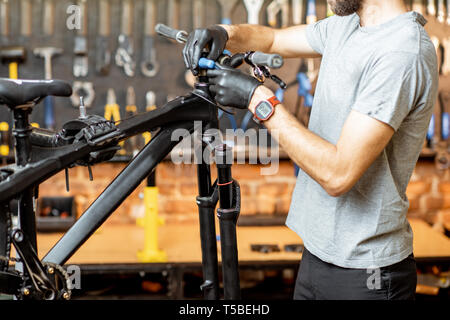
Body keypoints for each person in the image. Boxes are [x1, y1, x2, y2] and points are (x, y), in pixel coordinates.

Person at [183, 0, 438, 300]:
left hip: (366, 274)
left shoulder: (402, 52)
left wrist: (258, 99)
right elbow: (273, 39)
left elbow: (338, 174)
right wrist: (225, 32)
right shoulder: (346, 27)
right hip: (317, 256)